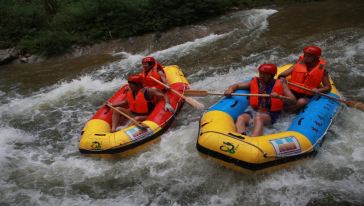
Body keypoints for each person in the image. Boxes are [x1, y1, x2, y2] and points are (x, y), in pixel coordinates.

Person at [224, 64, 296, 137]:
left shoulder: (281, 84)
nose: (261, 76)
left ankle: (254, 138)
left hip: (270, 113)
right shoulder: (255, 82)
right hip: (254, 110)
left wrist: (279, 97)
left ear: (271, 75)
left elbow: (293, 100)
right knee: (241, 118)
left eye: (265, 74)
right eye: (260, 73)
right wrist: (230, 89)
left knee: (259, 118)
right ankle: (241, 136)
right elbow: (237, 85)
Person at [108, 74, 175, 132]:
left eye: (131, 85)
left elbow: (164, 95)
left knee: (137, 118)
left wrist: (167, 103)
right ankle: (113, 129)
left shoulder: (148, 91)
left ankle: (125, 129)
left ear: (138, 85)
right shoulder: (130, 91)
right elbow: (126, 102)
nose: (130, 86)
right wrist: (112, 105)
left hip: (146, 115)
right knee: (117, 109)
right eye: (129, 84)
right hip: (133, 113)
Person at [278, 45, 331, 112]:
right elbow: (282, 75)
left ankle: (286, 112)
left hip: (306, 95)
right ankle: (284, 105)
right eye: (305, 55)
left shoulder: (322, 71)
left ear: (316, 57)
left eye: (308, 56)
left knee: (301, 102)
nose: (305, 57)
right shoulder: (298, 64)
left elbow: (328, 87)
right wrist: (282, 78)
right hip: (291, 92)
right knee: (281, 82)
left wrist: (319, 90)